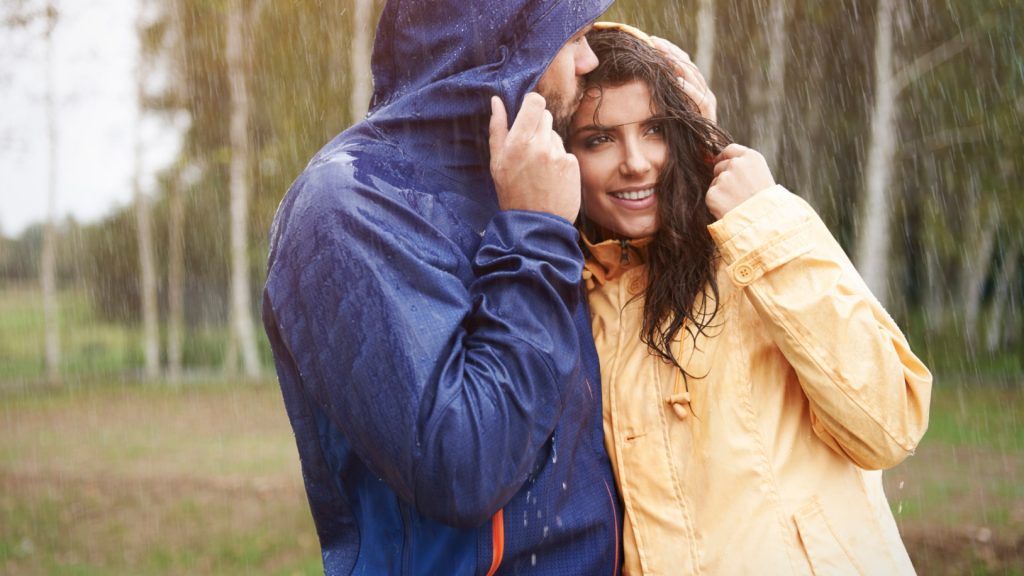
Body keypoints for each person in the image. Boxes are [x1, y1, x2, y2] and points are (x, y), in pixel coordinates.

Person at [261, 1, 626, 574]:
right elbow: (463, 465)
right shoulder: (348, 207)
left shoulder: (534, 176)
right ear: (503, 44)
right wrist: (536, 236)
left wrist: (678, 114)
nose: (590, 59)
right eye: (573, 35)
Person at [563, 23, 933, 574]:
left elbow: (888, 425)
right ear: (563, 154)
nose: (636, 162)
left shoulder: (756, 242)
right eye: (600, 139)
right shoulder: (572, 296)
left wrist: (759, 225)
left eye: (657, 129)